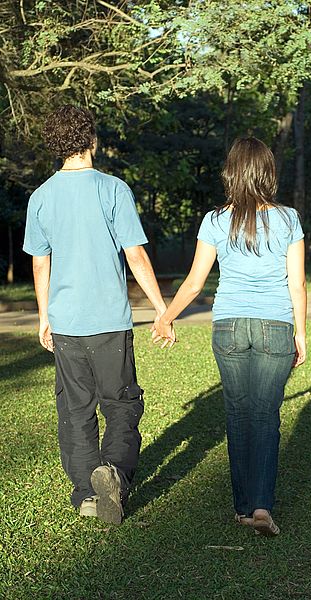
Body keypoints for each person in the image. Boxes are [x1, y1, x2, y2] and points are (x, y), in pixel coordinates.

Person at [23, 105, 173, 524]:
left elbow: (40, 264)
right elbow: (136, 255)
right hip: (110, 324)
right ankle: (115, 477)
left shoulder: (41, 197)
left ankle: (87, 493)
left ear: (55, 146)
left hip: (66, 324)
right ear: (92, 140)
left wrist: (43, 317)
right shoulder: (114, 190)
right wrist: (161, 308)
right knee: (122, 404)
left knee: (76, 410)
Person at [153, 137, 307, 536]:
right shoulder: (289, 219)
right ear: (267, 174)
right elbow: (299, 284)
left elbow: (193, 284)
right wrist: (301, 334)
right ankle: (260, 506)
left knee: (239, 415)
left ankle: (243, 509)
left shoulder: (214, 220)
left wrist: (165, 318)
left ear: (231, 174)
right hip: (276, 326)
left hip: (229, 327)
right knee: (265, 415)